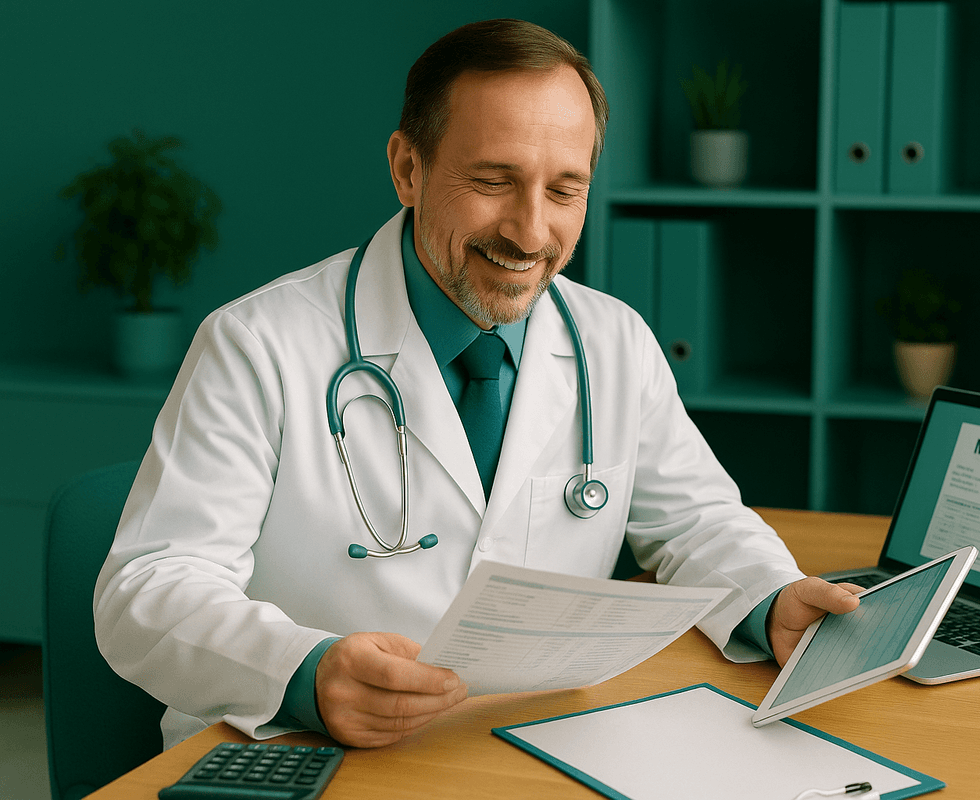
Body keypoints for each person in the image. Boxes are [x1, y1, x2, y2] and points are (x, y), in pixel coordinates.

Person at [94, 18, 860, 751]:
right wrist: (304, 674)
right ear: (408, 169)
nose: (530, 232)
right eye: (495, 180)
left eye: (564, 190)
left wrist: (771, 596)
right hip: (300, 744)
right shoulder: (258, 344)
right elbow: (148, 589)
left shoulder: (612, 341)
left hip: (528, 742)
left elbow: (696, 522)